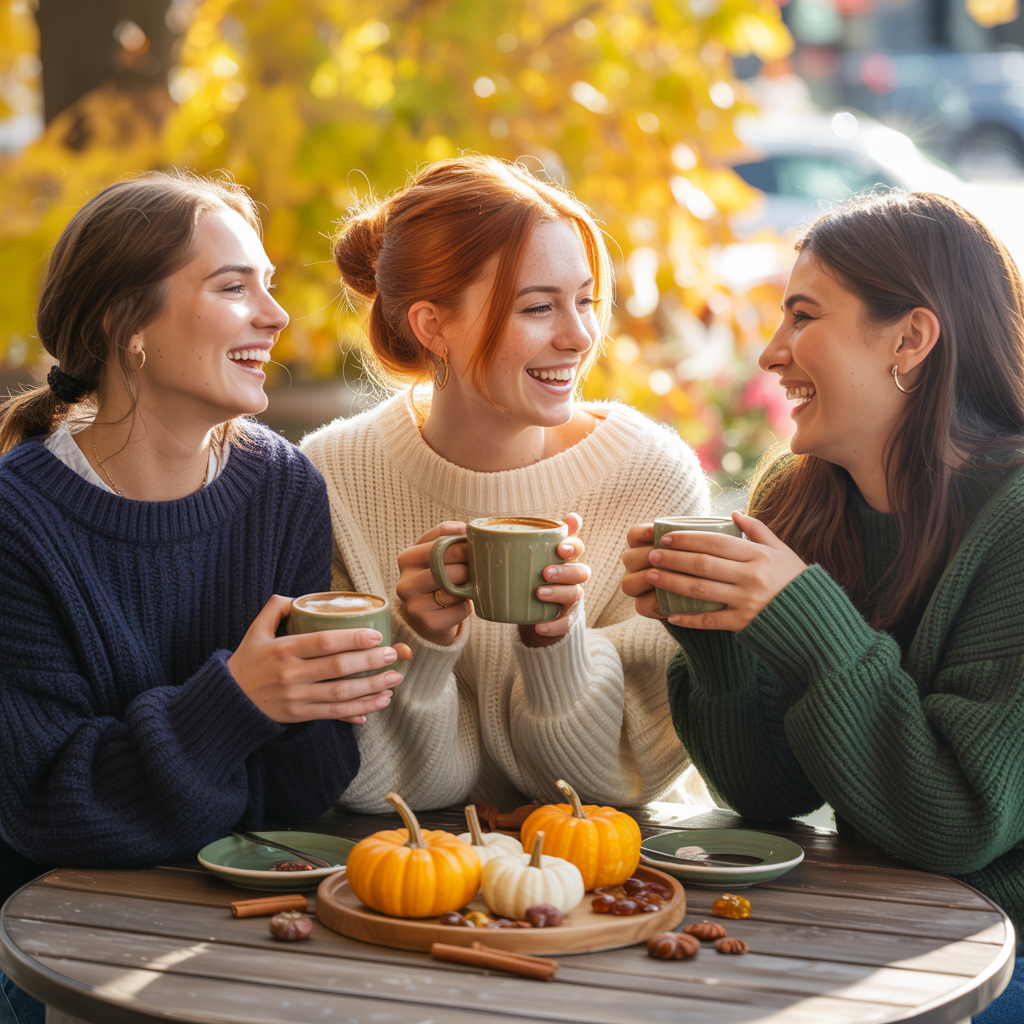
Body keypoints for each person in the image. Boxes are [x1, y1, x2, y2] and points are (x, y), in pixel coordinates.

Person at [0, 173, 406, 1024]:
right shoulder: (17, 521)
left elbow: (301, 787)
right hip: (59, 950)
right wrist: (236, 706)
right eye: (233, 287)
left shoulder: (283, 487)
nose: (276, 314)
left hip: (256, 925)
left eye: (267, 283)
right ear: (126, 325)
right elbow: (48, 812)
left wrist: (318, 696)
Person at [621, 190, 1024, 1022]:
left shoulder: (1014, 522)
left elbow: (958, 824)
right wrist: (715, 634)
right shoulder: (798, 500)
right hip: (866, 922)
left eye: (803, 316)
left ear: (910, 339)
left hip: (997, 952)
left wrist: (807, 621)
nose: (771, 353)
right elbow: (771, 797)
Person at [301, 155, 709, 814]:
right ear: (433, 326)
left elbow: (622, 779)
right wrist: (421, 642)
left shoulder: (651, 478)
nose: (579, 337)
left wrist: (558, 647)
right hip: (401, 870)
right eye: (539, 307)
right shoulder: (330, 480)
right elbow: (375, 787)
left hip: (623, 877)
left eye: (585, 301)